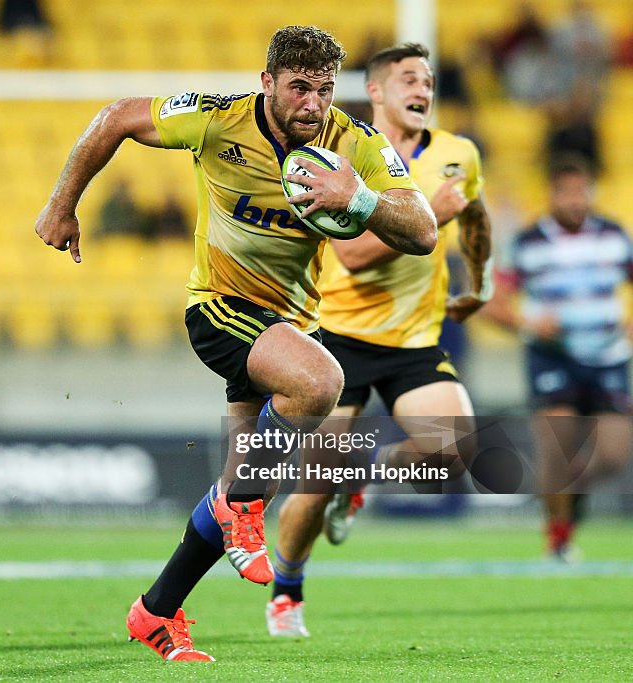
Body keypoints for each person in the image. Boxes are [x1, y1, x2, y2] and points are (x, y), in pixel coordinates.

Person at [36, 25, 437, 662]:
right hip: (220, 310)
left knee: (242, 485)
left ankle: (156, 611)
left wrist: (356, 197)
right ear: (267, 83)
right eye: (300, 87)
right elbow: (116, 118)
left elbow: (422, 232)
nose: (313, 103)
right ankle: (236, 506)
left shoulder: (356, 143)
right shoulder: (216, 119)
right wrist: (62, 206)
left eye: (325, 90)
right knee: (319, 384)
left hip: (285, 327)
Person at [266, 43, 494, 638]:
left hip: (416, 341)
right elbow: (354, 254)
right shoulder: (343, 152)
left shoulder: (457, 153)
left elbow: (474, 213)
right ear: (376, 91)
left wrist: (481, 276)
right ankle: (287, 594)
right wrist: (435, 216)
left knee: (453, 453)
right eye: (409, 79)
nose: (422, 89)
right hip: (339, 338)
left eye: (428, 80)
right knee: (313, 488)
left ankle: (362, 474)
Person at [482, 154, 633, 562]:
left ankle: (568, 493)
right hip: (553, 358)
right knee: (557, 447)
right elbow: (490, 302)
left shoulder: (614, 236)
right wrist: (528, 322)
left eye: (580, 191)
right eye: (565, 192)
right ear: (551, 195)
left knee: (614, 456)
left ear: (591, 192)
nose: (573, 200)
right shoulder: (528, 243)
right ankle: (559, 537)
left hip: (609, 357)